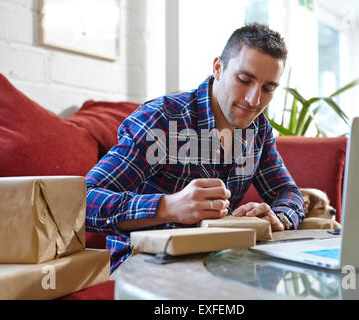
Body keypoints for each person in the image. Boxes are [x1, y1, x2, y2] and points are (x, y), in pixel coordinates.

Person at [85, 23, 305, 273]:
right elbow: (82, 202)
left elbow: (287, 191)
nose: (254, 100)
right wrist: (168, 207)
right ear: (218, 68)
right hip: (145, 263)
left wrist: (279, 217)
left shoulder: (258, 128)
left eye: (268, 89)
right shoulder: (161, 119)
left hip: (219, 261)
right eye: (244, 80)